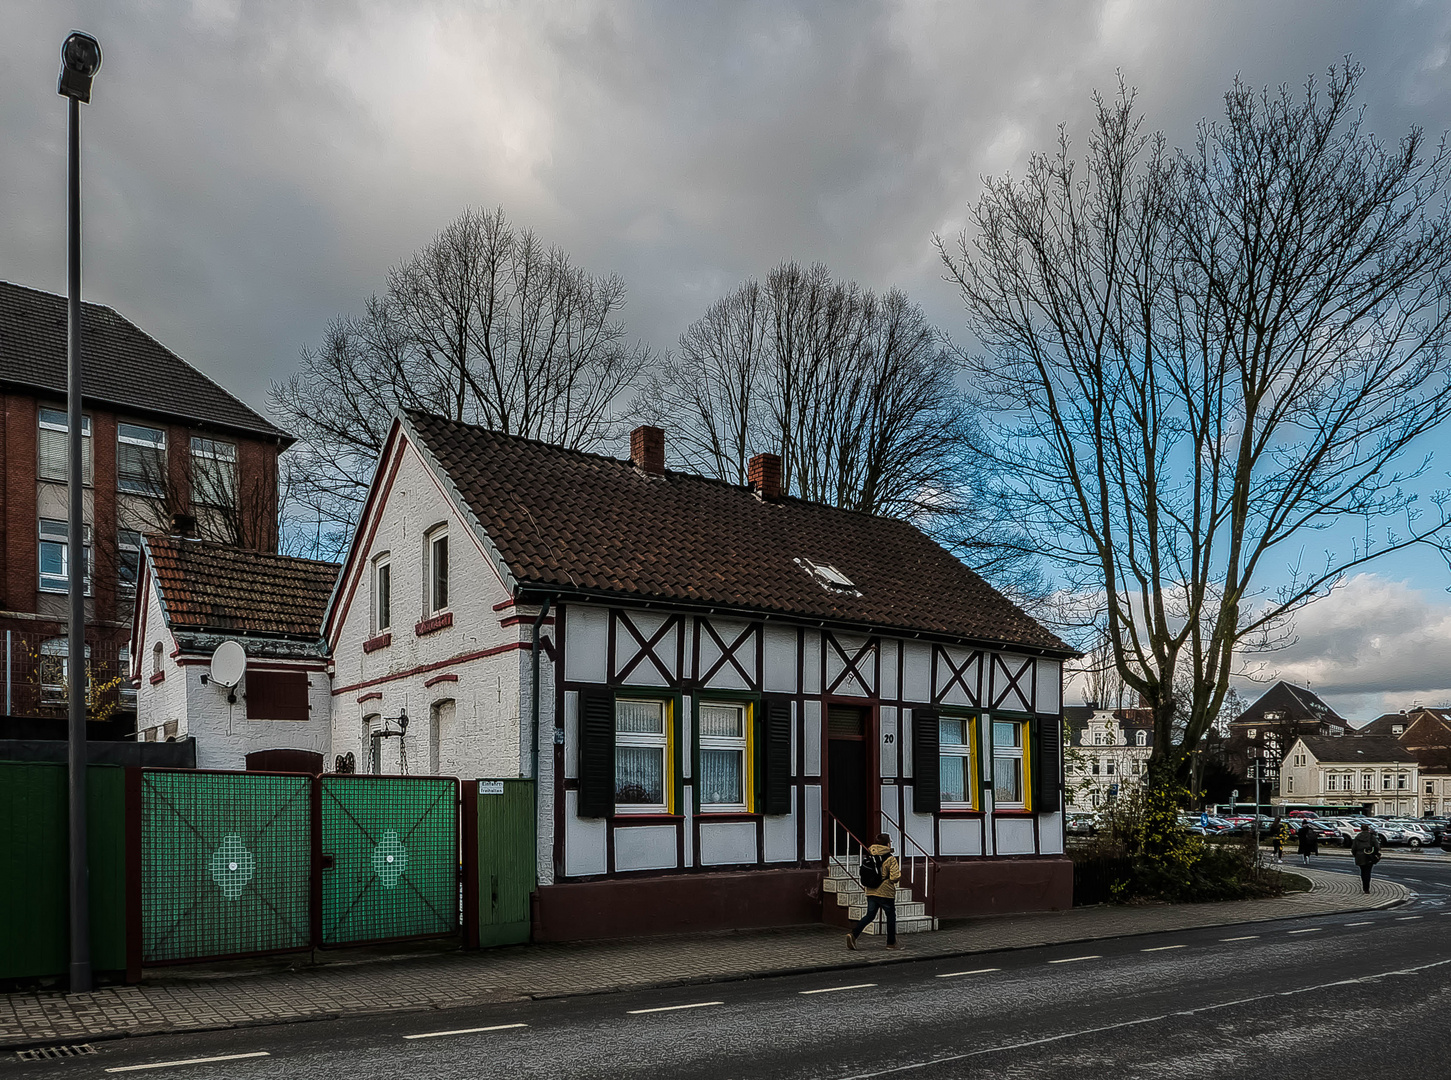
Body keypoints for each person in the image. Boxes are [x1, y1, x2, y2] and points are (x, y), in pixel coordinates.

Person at [847, 833, 902, 951]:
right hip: (886, 892)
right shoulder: (890, 858)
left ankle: (853, 934)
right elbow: (894, 877)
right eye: (890, 842)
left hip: (871, 891)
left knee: (870, 915)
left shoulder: (870, 855)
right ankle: (891, 943)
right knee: (890, 916)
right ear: (887, 844)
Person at [1351, 824, 1381, 893]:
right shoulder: (1371, 837)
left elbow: (1353, 848)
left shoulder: (1358, 837)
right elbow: (1377, 846)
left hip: (1360, 856)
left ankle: (1364, 886)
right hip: (1369, 856)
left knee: (1363, 872)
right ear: (1368, 829)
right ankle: (1366, 888)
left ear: (1361, 829)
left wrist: (1356, 855)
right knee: (1368, 872)